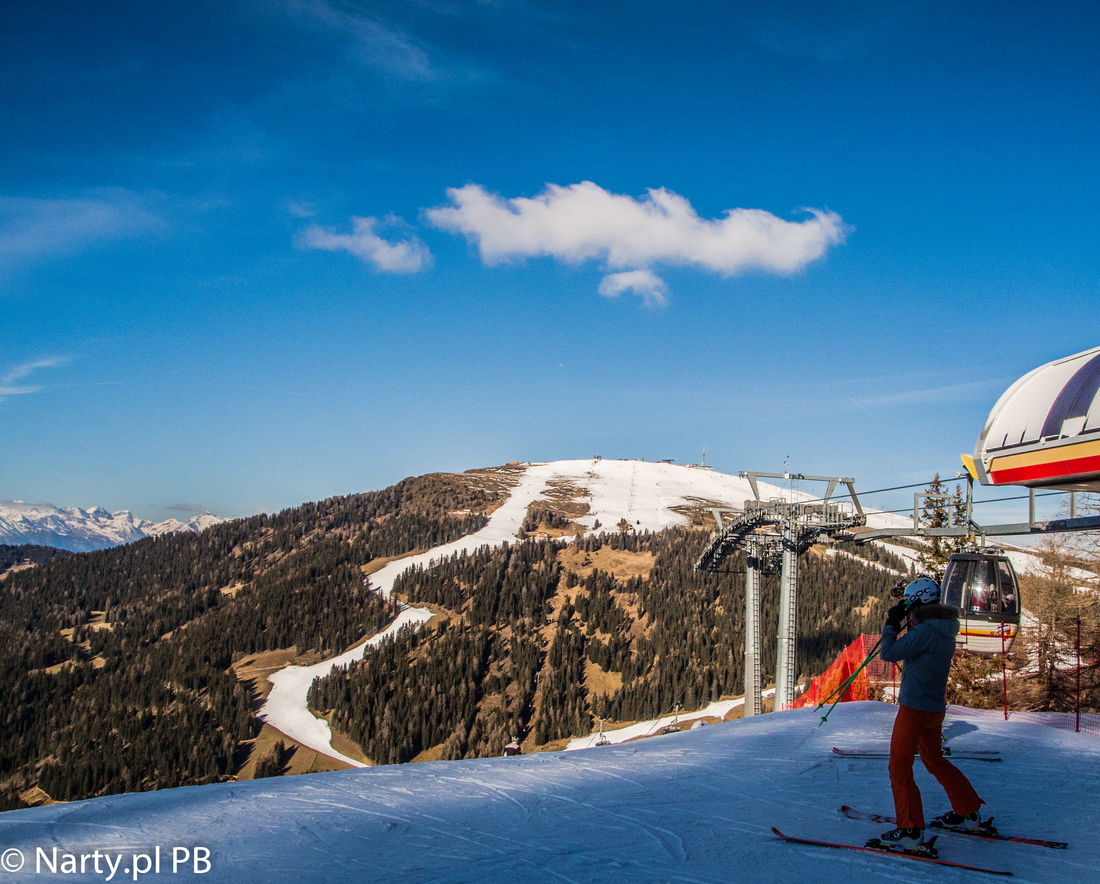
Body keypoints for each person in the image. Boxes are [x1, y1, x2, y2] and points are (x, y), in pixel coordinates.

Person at [877, 576, 985, 849]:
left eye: (910, 605)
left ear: (919, 602)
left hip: (914, 708)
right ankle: (968, 811)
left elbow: (888, 653)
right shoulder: (945, 628)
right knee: (935, 761)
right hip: (934, 708)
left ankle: (910, 830)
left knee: (899, 767)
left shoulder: (924, 632)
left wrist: (891, 624)